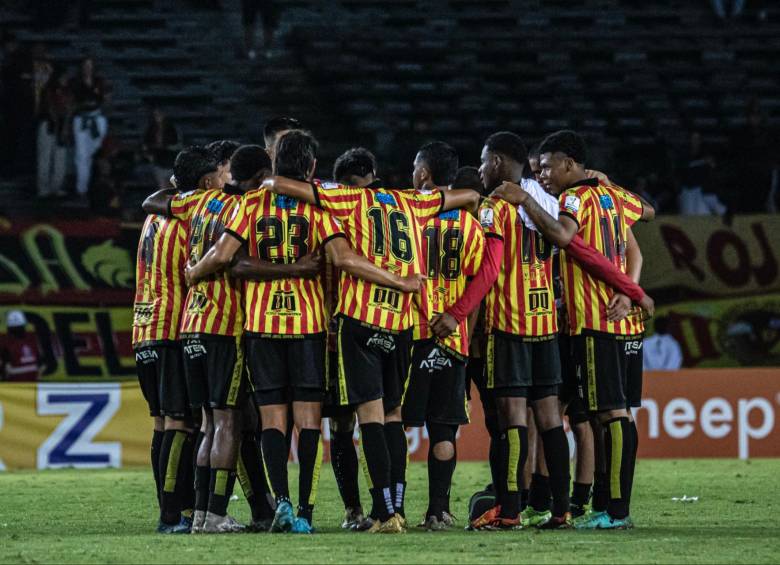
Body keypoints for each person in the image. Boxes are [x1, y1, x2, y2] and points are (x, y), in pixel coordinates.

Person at [187, 133, 426, 533]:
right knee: (310, 421)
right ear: (312, 166)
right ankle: (306, 512)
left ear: (275, 161)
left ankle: (280, 502)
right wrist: (399, 281)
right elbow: (343, 258)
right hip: (310, 324)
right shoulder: (320, 206)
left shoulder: (250, 203)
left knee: (272, 421)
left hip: (261, 324)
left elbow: (225, 256)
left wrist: (194, 271)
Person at [264, 151, 481, 533]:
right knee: (393, 415)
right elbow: (466, 197)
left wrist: (269, 182)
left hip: (358, 320)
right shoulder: (413, 201)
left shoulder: (348, 200)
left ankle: (380, 513)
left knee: (364, 419)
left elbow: (282, 185)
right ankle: (395, 507)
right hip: (400, 323)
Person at [492, 130, 655, 530]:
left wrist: (526, 199)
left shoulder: (574, 199)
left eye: (547, 166)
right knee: (609, 415)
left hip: (595, 318)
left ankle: (615, 511)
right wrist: (608, 181)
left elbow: (564, 236)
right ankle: (605, 505)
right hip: (620, 319)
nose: (542, 174)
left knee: (609, 414)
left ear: (568, 164)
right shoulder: (612, 196)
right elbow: (648, 210)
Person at [143, 146, 245, 534]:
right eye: (223, 172)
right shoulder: (212, 210)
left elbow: (152, 199)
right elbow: (222, 257)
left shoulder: (167, 212)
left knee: (174, 423)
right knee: (195, 422)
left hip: (158, 326)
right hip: (188, 324)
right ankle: (178, 513)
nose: (227, 179)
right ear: (208, 181)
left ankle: (182, 511)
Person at [403, 142, 485, 531]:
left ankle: (392, 508)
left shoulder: (408, 217)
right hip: (453, 338)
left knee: (394, 423)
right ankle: (438, 510)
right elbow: (476, 280)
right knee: (443, 428)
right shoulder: (471, 225)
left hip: (411, 333)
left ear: (424, 174)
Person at [132, 150, 198, 534]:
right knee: (179, 422)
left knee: (161, 424)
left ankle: (170, 508)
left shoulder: (151, 218)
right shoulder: (185, 220)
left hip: (144, 328)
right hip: (171, 328)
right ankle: (172, 514)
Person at [326, 147, 381, 531]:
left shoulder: (331, 209)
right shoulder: (383, 208)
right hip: (366, 324)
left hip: (332, 329)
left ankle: (361, 510)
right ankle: (375, 508)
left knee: (346, 424)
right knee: (366, 419)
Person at [70, 57, 109, 200]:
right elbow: (72, 102)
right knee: (81, 156)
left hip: (97, 118)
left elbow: (106, 98)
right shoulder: (75, 82)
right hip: (81, 119)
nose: (88, 68)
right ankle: (82, 189)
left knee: (97, 152)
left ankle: (97, 185)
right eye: (85, 65)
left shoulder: (99, 81)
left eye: (90, 65)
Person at [37, 68, 73, 197]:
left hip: (62, 126)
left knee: (60, 158)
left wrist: (65, 128)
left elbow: (69, 111)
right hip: (48, 125)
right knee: (45, 157)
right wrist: (57, 122)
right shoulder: (48, 90)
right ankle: (43, 188)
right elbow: (49, 108)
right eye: (63, 77)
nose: (65, 80)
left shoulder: (68, 93)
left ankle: (56, 186)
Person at [140, 108, 181, 188]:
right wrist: (149, 156)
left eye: (159, 114)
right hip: (158, 162)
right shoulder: (150, 130)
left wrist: (165, 147)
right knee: (162, 187)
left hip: (171, 161)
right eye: (156, 115)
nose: (158, 117)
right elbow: (145, 145)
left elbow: (177, 144)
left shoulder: (172, 129)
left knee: (173, 187)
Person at [1, 311, 41, 382]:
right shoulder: (32, 340)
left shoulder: (8, 344)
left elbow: (7, 370)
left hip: (25, 385)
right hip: (25, 386)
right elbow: (9, 371)